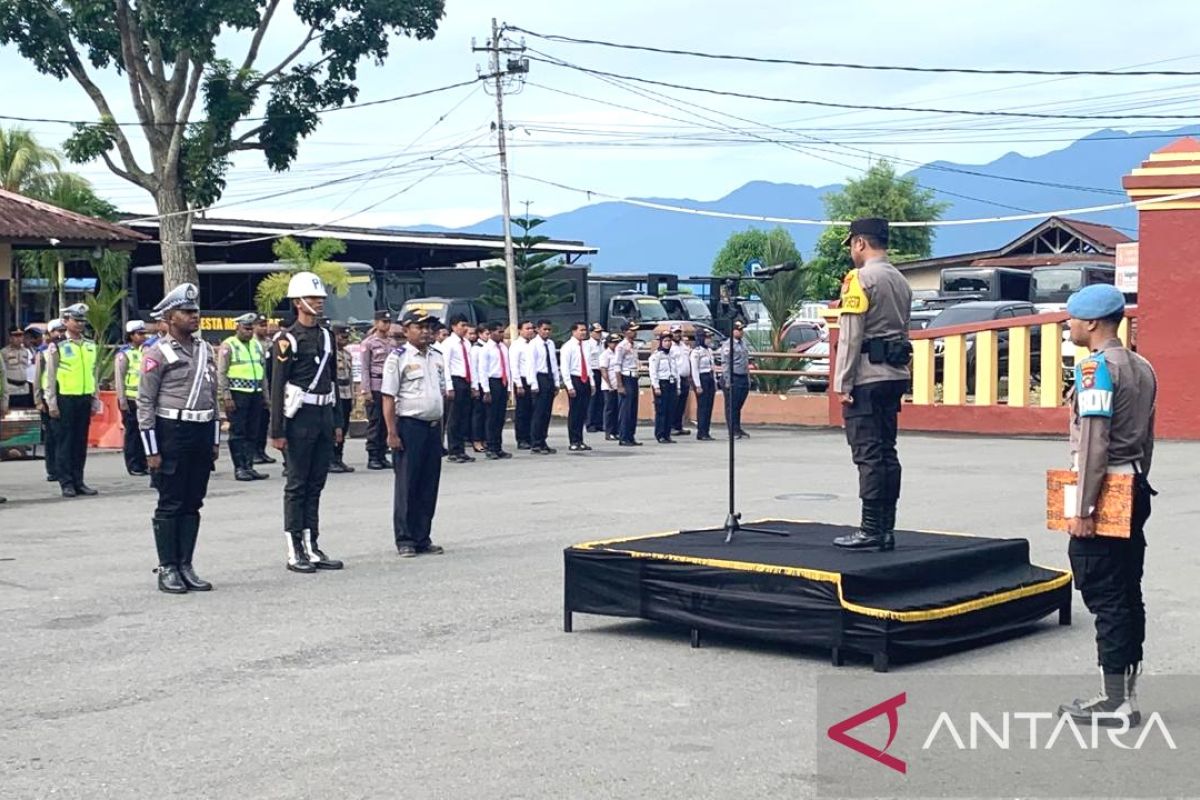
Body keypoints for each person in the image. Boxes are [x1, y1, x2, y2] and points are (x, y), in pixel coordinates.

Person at [1055, 284, 1157, 728]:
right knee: (1127, 592)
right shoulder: (1142, 365)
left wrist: (1084, 508)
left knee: (1105, 594)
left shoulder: (1096, 369)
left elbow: (1095, 442)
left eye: (1072, 319)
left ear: (1092, 323)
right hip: (1134, 482)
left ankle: (1114, 701)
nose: (1069, 325)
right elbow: (1148, 437)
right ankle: (1125, 694)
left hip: (1104, 489)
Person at [830, 218, 913, 552]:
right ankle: (887, 527)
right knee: (887, 452)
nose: (852, 251)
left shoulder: (860, 279)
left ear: (860, 243)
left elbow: (851, 337)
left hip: (865, 376)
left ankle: (869, 529)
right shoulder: (901, 280)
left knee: (867, 453)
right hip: (894, 374)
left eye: (852, 244)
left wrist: (842, 382)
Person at [136, 283, 219, 594]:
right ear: (169, 317)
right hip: (171, 432)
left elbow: (213, 396)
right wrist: (151, 449)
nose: (194, 316)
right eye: (186, 312)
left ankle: (186, 563)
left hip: (200, 431)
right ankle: (168, 567)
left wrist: (214, 441)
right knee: (170, 502)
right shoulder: (157, 352)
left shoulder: (204, 350)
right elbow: (145, 402)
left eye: (196, 311)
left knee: (193, 501)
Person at [269, 272, 344, 574]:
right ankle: (294, 549)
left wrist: (338, 422)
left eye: (321, 298)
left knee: (316, 484)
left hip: (323, 415)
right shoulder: (286, 340)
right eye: (313, 298)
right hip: (298, 419)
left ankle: (313, 545)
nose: (319, 303)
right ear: (298, 303)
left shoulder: (326, 336)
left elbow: (333, 381)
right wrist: (276, 431)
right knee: (297, 484)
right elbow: (276, 387)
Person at [382, 310, 446, 558]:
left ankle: (423, 536)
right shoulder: (397, 358)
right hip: (409, 426)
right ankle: (405, 538)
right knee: (407, 485)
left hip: (432, 427)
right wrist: (391, 432)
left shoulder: (437, 357)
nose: (426, 331)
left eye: (430, 327)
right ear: (406, 330)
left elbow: (441, 395)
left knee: (429, 484)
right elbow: (388, 397)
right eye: (420, 327)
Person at [44, 303, 101, 498]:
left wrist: (95, 399)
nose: (80, 324)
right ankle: (66, 482)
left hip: (83, 397)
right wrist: (51, 402)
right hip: (65, 398)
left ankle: (79, 480)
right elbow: (50, 376)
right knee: (64, 442)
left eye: (82, 321)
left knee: (80, 441)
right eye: (76, 320)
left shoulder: (89, 345)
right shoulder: (58, 346)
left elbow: (94, 373)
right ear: (66, 321)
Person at [216, 312, 269, 482]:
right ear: (237, 327)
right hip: (237, 394)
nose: (248, 331)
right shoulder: (228, 345)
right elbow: (222, 372)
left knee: (252, 431)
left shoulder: (257, 345)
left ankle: (249, 466)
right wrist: (226, 395)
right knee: (238, 432)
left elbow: (263, 374)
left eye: (250, 328)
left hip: (255, 394)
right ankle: (239, 467)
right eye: (245, 328)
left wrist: (266, 397)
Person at [358, 310, 393, 470]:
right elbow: (364, 367)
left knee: (387, 422)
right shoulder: (368, 343)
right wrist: (366, 390)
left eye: (388, 322)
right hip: (375, 384)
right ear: (376, 323)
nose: (386, 325)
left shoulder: (392, 343)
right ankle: (373, 455)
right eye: (383, 322)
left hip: (389, 385)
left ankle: (382, 454)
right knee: (376, 421)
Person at [115, 320, 149, 476]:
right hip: (130, 399)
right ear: (131, 336)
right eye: (139, 334)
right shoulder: (124, 354)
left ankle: (143, 463)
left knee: (144, 432)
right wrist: (122, 401)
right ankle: (133, 465)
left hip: (144, 399)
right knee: (132, 434)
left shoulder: (146, 352)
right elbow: (119, 379)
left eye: (144, 333)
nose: (143, 336)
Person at [442, 314, 477, 464]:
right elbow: (446, 366)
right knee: (454, 418)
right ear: (454, 326)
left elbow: (471, 365)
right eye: (462, 325)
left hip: (466, 381)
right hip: (455, 380)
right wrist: (449, 386)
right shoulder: (449, 343)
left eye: (466, 325)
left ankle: (461, 449)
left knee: (464, 417)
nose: (465, 329)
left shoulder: (467, 344)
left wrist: (474, 385)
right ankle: (453, 450)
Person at [475, 321, 513, 460]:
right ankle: (490, 446)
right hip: (492, 382)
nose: (502, 334)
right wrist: (486, 390)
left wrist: (509, 387)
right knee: (491, 417)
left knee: (499, 417)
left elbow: (508, 368)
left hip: (502, 381)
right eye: (499, 332)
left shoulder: (503, 347)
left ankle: (498, 446)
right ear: (490, 333)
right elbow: (482, 371)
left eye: (503, 332)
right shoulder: (486, 349)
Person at [33, 321, 64, 483]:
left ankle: (63, 467)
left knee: (64, 437)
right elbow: (38, 377)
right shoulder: (43, 352)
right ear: (49, 334)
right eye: (57, 331)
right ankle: (53, 470)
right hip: (47, 398)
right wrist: (38, 400)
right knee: (52, 437)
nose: (60, 334)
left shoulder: (66, 349)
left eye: (63, 330)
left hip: (65, 395)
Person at [559, 321, 593, 452]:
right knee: (575, 412)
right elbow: (565, 367)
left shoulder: (586, 346)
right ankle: (573, 440)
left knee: (583, 412)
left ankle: (580, 440)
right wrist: (569, 385)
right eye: (581, 330)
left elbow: (588, 364)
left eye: (585, 330)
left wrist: (592, 383)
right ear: (574, 331)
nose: (584, 333)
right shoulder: (568, 347)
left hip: (585, 379)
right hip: (575, 379)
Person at [328, 322, 357, 474]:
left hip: (346, 393)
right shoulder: (330, 354)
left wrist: (353, 396)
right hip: (335, 394)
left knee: (344, 427)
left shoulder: (347, 354)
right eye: (341, 336)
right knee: (335, 427)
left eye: (346, 336)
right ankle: (331, 459)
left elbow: (350, 377)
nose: (344, 339)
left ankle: (339, 457)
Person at [529, 319, 561, 454]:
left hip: (549, 378)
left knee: (547, 413)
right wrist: (533, 384)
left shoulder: (550, 344)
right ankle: (536, 442)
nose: (547, 332)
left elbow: (553, 363)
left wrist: (557, 382)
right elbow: (531, 365)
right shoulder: (533, 344)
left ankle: (543, 441)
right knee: (539, 412)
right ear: (538, 329)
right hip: (539, 377)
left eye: (549, 329)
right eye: (544, 329)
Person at [719, 321, 752, 440]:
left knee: (738, 406)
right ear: (733, 331)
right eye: (739, 330)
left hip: (742, 377)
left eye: (742, 330)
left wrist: (748, 378)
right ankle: (732, 430)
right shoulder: (728, 345)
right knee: (731, 406)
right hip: (733, 377)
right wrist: (728, 380)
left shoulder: (743, 344)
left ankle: (737, 428)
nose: (741, 332)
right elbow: (726, 363)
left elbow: (746, 362)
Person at [252, 315, 277, 465]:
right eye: (261, 325)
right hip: (256, 385)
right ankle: (254, 452)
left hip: (269, 384)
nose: (264, 328)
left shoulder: (270, 343)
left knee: (264, 420)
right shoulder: (252, 343)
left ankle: (261, 451)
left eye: (265, 325)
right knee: (256, 421)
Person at [510, 320, 537, 450]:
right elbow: (514, 366)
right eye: (527, 328)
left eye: (532, 328)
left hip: (533, 379)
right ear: (520, 330)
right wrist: (518, 384)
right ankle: (522, 438)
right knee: (522, 411)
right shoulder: (516, 345)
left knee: (533, 410)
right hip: (522, 380)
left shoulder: (534, 344)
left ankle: (532, 436)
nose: (530, 330)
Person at [614, 323, 642, 447]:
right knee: (626, 409)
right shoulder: (621, 346)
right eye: (632, 330)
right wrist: (620, 385)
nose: (635, 333)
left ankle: (631, 435)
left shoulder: (634, 345)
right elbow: (617, 366)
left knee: (633, 409)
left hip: (634, 376)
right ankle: (624, 436)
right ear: (625, 332)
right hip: (626, 377)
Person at [649, 332, 678, 444]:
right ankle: (660, 434)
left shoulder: (672, 355)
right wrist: (656, 386)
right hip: (662, 384)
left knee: (670, 410)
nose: (668, 343)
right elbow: (653, 372)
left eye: (669, 341)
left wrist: (678, 386)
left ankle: (667, 434)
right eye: (665, 341)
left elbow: (676, 371)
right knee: (661, 411)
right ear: (661, 342)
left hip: (671, 384)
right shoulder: (656, 356)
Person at [691, 330, 717, 441]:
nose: (709, 340)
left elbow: (713, 367)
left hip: (709, 378)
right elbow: (695, 370)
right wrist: (697, 385)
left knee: (709, 406)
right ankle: (701, 432)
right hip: (702, 379)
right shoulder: (696, 352)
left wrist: (715, 381)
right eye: (707, 338)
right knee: (702, 407)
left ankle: (706, 431)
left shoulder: (709, 351)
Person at [669, 324, 693, 437]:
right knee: (674, 403)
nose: (677, 334)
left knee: (682, 404)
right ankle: (672, 426)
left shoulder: (683, 345)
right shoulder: (670, 347)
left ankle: (678, 425)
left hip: (685, 378)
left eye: (679, 332)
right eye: (675, 332)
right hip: (675, 378)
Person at [2, 327, 33, 409]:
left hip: (24, 388)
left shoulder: (26, 351)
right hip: (11, 388)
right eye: (16, 336)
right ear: (10, 338)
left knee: (24, 415)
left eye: (21, 336)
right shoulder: (4, 352)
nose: (19, 338)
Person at [470, 323, 489, 453]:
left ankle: (486, 438)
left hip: (489, 383)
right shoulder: (476, 349)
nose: (488, 336)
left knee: (488, 414)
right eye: (486, 333)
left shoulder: (491, 347)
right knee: (479, 414)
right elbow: (474, 369)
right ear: (480, 334)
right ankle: (476, 440)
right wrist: (475, 386)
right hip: (479, 384)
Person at [584, 322, 606, 433]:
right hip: (592, 371)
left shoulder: (602, 343)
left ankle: (599, 422)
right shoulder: (588, 344)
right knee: (592, 398)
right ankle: (590, 423)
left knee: (601, 398)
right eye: (597, 332)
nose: (599, 334)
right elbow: (587, 361)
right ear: (591, 332)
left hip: (602, 370)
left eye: (600, 332)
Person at [599, 332, 621, 441]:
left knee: (617, 409)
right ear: (608, 343)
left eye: (617, 342)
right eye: (613, 342)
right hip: (609, 386)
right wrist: (609, 385)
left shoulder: (618, 354)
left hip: (618, 385)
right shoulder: (605, 355)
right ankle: (609, 431)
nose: (615, 344)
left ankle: (616, 431)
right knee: (610, 409)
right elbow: (604, 371)